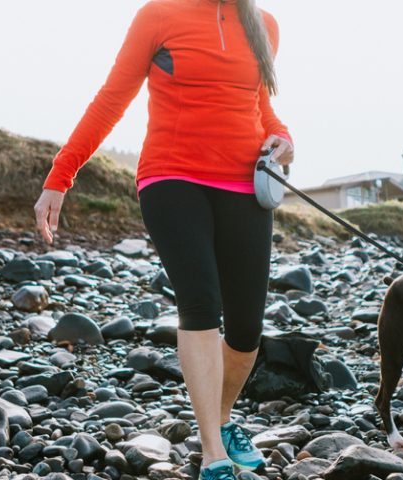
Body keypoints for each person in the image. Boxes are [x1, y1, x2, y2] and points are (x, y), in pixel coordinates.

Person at [32, 1, 293, 478]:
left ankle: (221, 419)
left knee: (246, 330)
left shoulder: (265, 25)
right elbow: (113, 96)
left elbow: (260, 106)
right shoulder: (159, 15)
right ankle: (213, 452)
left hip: (244, 184)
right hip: (172, 177)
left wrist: (282, 136)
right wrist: (60, 175)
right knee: (200, 305)